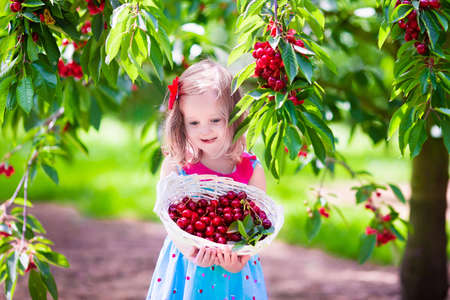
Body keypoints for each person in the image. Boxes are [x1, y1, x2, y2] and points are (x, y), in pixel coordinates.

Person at [146, 59, 268, 300]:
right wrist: (191, 251)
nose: (205, 130)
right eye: (194, 122)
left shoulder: (251, 168)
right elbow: (169, 220)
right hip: (187, 269)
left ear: (235, 118)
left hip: (235, 273)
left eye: (215, 120)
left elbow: (256, 227)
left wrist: (239, 259)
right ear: (181, 123)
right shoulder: (176, 165)